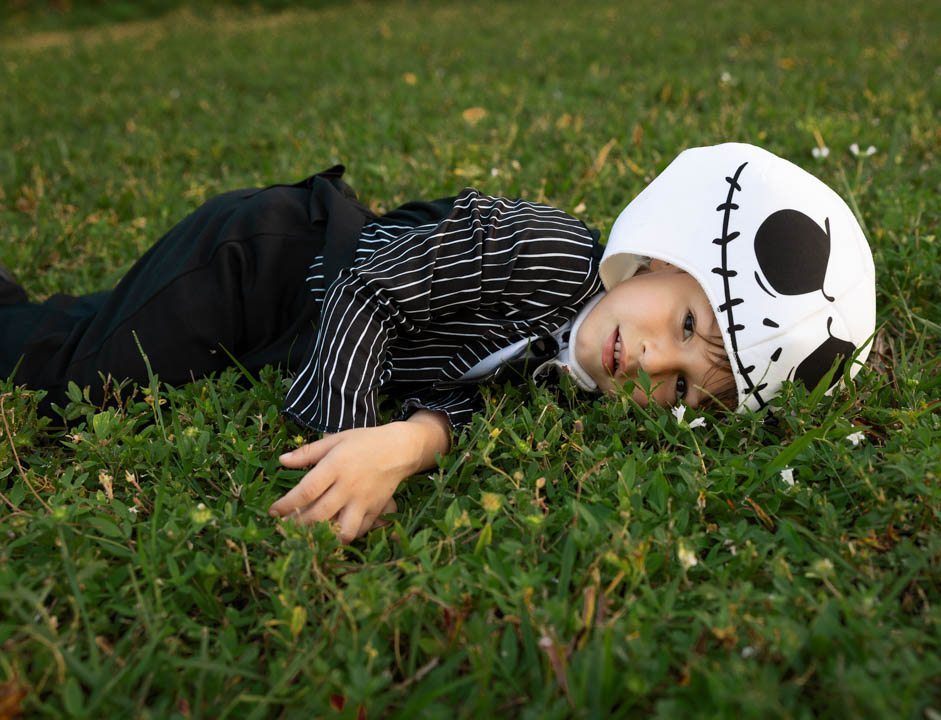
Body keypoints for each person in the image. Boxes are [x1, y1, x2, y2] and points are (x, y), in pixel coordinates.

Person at [0, 143, 876, 542]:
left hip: (282, 325)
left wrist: (413, 440)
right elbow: (371, 294)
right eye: (686, 326)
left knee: (87, 327)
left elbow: (466, 391)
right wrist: (343, 444)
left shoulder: (575, 374)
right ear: (660, 248)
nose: (654, 362)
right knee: (68, 383)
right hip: (261, 269)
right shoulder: (545, 252)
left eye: (686, 387)